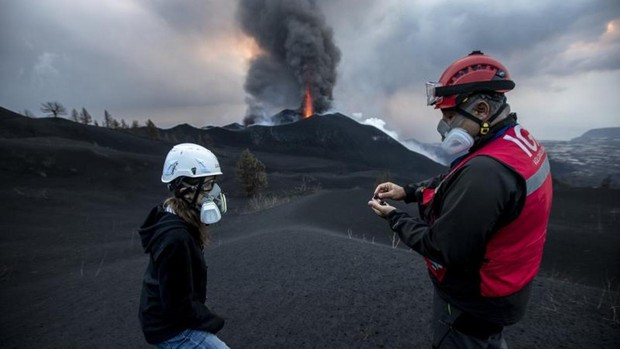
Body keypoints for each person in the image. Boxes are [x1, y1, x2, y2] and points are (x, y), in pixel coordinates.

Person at [368, 51, 553, 348]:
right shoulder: (518, 143)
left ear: (481, 109)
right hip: (506, 288)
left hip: (474, 298)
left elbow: (442, 247)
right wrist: (409, 191)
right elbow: (456, 182)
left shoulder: (486, 172)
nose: (444, 127)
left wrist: (394, 217)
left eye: (449, 116)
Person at [138, 143, 230, 348]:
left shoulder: (174, 216)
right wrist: (211, 321)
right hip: (170, 328)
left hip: (161, 317)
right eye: (206, 184)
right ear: (184, 188)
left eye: (213, 183)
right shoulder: (176, 238)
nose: (213, 192)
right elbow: (177, 305)